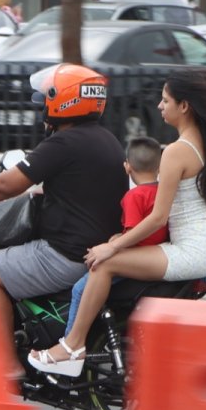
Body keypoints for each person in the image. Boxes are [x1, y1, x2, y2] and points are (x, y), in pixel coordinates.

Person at [29, 68, 206, 376]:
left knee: (104, 264)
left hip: (196, 251)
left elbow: (158, 217)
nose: (160, 107)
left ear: (184, 106)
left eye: (165, 101)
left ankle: (72, 347)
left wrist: (112, 248)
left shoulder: (176, 151)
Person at [0, 64, 129, 352]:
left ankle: (5, 368)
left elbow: (5, 186)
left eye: (46, 98)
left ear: (63, 100)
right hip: (91, 250)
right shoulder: (106, 139)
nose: (42, 105)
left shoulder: (64, 143)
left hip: (64, 255)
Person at [63, 136, 168, 339]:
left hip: (134, 257)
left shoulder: (134, 196)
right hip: (154, 255)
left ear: (127, 167)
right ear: (159, 166)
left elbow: (134, 234)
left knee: (79, 290)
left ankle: (69, 341)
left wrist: (115, 242)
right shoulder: (161, 192)